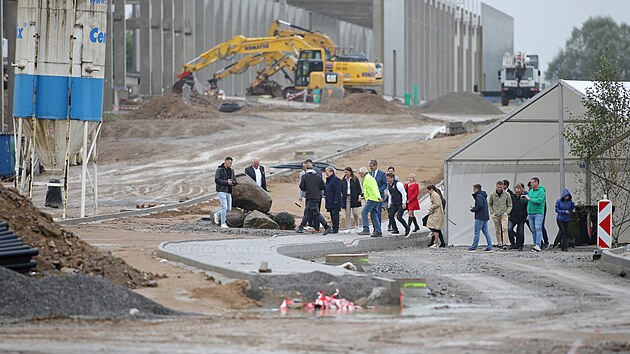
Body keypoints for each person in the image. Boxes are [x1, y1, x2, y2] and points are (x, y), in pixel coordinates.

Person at [296, 161, 331, 235]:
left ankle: (326, 226)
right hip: (317, 196)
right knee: (307, 212)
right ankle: (301, 227)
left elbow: (302, 187)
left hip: (310, 197)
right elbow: (323, 186)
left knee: (315, 213)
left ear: (306, 169)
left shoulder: (305, 176)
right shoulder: (318, 176)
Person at [358, 167, 383, 237]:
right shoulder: (367, 178)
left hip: (373, 199)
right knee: (373, 214)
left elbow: (374, 188)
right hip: (373, 198)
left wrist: (378, 197)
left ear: (362, 173)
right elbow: (368, 191)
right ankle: (378, 231)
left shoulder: (368, 179)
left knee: (364, 212)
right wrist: (363, 197)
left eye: (359, 173)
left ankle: (366, 229)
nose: (359, 175)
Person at [523, 177, 546, 252]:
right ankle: (535, 244)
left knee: (538, 228)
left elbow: (539, 201)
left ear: (536, 183)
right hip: (530, 213)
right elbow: (529, 202)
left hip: (538, 213)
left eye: (532, 182)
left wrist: (529, 199)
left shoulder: (541, 191)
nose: (531, 184)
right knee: (533, 229)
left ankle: (538, 244)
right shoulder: (531, 191)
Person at [468, 184, 493, 252]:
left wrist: (473, 209)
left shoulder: (479, 196)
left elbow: (479, 206)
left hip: (480, 217)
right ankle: (490, 246)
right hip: (485, 216)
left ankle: (474, 247)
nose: (473, 190)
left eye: (473, 189)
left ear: (476, 189)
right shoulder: (483, 195)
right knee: (486, 232)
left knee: (477, 232)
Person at [215, 157, 238, 229]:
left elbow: (235, 180)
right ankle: (223, 223)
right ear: (226, 162)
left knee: (229, 209)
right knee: (224, 206)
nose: (231, 164)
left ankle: (217, 214)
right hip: (221, 190)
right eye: (230, 163)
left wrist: (232, 183)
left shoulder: (231, 171)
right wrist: (226, 182)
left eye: (232, 163)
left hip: (229, 191)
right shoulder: (219, 170)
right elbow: (217, 180)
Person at [489, 181, 513, 250]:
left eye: (500, 187)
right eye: (498, 187)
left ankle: (505, 243)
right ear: (496, 186)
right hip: (495, 215)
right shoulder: (492, 194)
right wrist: (492, 212)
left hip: (504, 214)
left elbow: (510, 205)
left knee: (505, 228)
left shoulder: (507, 194)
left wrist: (507, 212)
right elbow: (490, 204)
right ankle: (499, 243)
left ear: (503, 187)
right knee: (497, 229)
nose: (499, 188)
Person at [341, 167, 362, 231]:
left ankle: (357, 225)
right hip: (346, 197)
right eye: (345, 172)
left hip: (354, 197)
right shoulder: (343, 180)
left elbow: (359, 189)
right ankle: (348, 227)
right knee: (347, 213)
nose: (346, 174)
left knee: (355, 212)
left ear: (350, 172)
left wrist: (359, 195)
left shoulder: (355, 179)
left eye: (347, 172)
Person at [509, 183, 528, 251]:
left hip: (521, 217)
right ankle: (512, 243)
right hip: (513, 217)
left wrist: (525, 215)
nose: (517, 193)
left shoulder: (524, 197)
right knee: (509, 229)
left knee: (520, 232)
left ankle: (520, 245)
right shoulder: (511, 197)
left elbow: (527, 207)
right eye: (516, 192)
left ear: (521, 191)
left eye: (519, 192)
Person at [324, 167, 343, 234]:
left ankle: (335, 229)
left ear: (331, 172)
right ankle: (334, 227)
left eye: (327, 172)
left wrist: (336, 200)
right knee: (332, 215)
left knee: (335, 215)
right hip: (329, 200)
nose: (326, 173)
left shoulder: (336, 180)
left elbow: (337, 191)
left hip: (334, 202)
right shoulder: (328, 180)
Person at [369, 160, 387, 225]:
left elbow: (385, 184)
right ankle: (374, 226)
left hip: (379, 196)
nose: (370, 168)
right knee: (372, 212)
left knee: (378, 211)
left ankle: (378, 227)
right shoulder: (369, 174)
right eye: (370, 167)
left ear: (376, 166)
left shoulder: (382, 174)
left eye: (371, 166)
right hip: (371, 196)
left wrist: (379, 190)